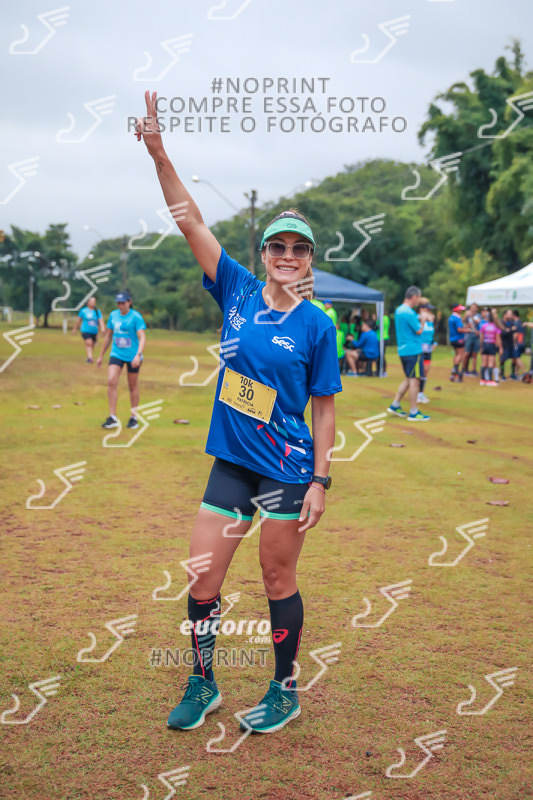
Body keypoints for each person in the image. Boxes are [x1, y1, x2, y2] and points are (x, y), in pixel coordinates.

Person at [135, 91, 341, 735]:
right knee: (202, 579)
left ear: (309, 260)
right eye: (278, 246)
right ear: (264, 254)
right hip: (231, 463)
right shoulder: (238, 291)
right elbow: (189, 221)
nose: (287, 255)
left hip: (286, 469)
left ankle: (284, 689)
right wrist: (160, 154)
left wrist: (321, 479)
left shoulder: (318, 325)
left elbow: (324, 410)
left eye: (299, 249)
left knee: (277, 577)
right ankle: (203, 683)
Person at [96, 291, 147, 429]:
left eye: (123, 303)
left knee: (132, 386)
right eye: (118, 303)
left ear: (129, 302)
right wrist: (101, 355)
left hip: (133, 356)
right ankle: (112, 417)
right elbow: (108, 336)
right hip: (116, 354)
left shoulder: (136, 317)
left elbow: (142, 337)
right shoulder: (113, 315)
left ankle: (133, 417)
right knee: (111, 380)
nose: (120, 306)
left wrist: (138, 355)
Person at [387, 286, 429, 421]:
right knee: (415, 381)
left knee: (409, 379)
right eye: (418, 298)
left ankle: (395, 405)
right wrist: (423, 320)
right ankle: (413, 412)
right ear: (414, 297)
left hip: (403, 349)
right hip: (413, 350)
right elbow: (419, 330)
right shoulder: (409, 312)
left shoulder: (399, 310)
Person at [72, 296, 105, 363]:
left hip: (94, 331)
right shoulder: (83, 311)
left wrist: (103, 328)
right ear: (88, 302)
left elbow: (100, 321)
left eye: (94, 301)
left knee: (92, 344)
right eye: (91, 301)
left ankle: (89, 357)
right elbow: (78, 320)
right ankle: (90, 358)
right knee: (89, 343)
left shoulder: (97, 311)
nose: (93, 303)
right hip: (85, 330)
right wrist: (75, 328)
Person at [418, 303, 436, 404]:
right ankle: (417, 394)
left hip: (428, 349)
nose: (429, 312)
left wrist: (434, 342)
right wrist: (423, 320)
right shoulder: (417, 319)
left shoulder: (430, 322)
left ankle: (421, 393)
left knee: (426, 370)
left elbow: (431, 335)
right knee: (420, 371)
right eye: (427, 310)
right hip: (419, 349)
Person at [479, 309, 502, 386]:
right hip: (492, 345)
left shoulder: (484, 326)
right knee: (490, 363)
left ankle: (482, 380)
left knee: (483, 363)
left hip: (485, 344)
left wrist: (481, 347)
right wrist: (500, 348)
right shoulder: (496, 327)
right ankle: (490, 380)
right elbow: (498, 339)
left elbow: (481, 338)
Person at [448, 305, 466, 382]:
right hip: (459, 339)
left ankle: (454, 372)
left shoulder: (451, 317)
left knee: (456, 354)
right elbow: (459, 330)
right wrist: (469, 330)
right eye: (460, 310)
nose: (461, 311)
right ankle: (455, 371)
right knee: (460, 355)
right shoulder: (457, 318)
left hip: (452, 339)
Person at [462, 303, 481, 377]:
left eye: (474, 307)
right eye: (472, 307)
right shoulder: (467, 314)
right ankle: (464, 369)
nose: (473, 309)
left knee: (474, 354)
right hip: (468, 335)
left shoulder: (478, 315)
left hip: (476, 336)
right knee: (466, 353)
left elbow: (478, 322)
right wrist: (465, 316)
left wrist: (472, 317)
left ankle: (474, 370)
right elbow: (462, 321)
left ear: (477, 308)